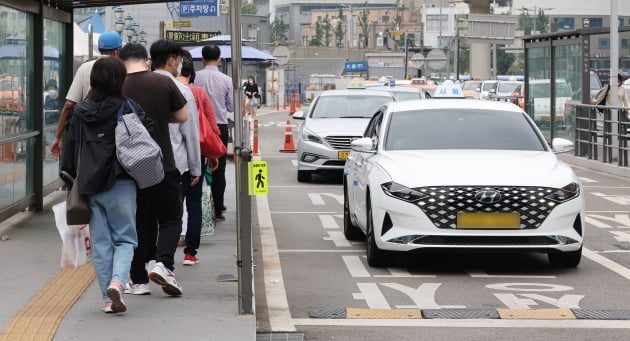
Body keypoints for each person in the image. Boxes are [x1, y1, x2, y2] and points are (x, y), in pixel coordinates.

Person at [61, 57, 148, 314]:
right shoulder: (129, 107)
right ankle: (118, 282)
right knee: (125, 239)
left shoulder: (81, 111)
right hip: (121, 181)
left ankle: (108, 300)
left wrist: (69, 177)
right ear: (120, 79)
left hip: (90, 183)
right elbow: (147, 137)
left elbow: (71, 147)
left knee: (100, 242)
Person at [119, 42, 188, 296]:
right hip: (162, 163)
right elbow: (182, 117)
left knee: (139, 222)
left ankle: (138, 281)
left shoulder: (117, 86)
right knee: (170, 218)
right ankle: (163, 264)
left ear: (121, 60)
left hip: (128, 168)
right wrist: (159, 116)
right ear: (147, 61)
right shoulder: (163, 82)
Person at [151, 41, 202, 267]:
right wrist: (195, 167)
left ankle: (148, 262)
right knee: (172, 217)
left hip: (141, 164)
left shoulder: (137, 86)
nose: (180, 65)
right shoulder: (182, 91)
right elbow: (190, 134)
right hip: (175, 165)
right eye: (179, 61)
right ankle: (164, 264)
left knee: (147, 215)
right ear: (171, 60)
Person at [49, 31, 122, 160]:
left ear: (100, 49)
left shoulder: (85, 67)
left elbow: (69, 104)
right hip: (115, 134)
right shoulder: (122, 69)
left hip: (87, 133)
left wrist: (57, 137)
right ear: (117, 50)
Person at [176, 52, 219, 265]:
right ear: (191, 74)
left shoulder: (169, 90)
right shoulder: (199, 93)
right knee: (194, 204)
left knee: (174, 204)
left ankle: (167, 244)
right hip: (196, 155)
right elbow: (211, 125)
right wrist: (212, 155)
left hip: (171, 158)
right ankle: (190, 253)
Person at [193, 44, 233, 222]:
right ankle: (218, 208)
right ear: (219, 59)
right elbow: (231, 106)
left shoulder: (195, 78)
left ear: (202, 59)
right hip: (220, 127)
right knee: (220, 169)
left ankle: (198, 206)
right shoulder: (226, 79)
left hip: (198, 126)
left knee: (197, 166)